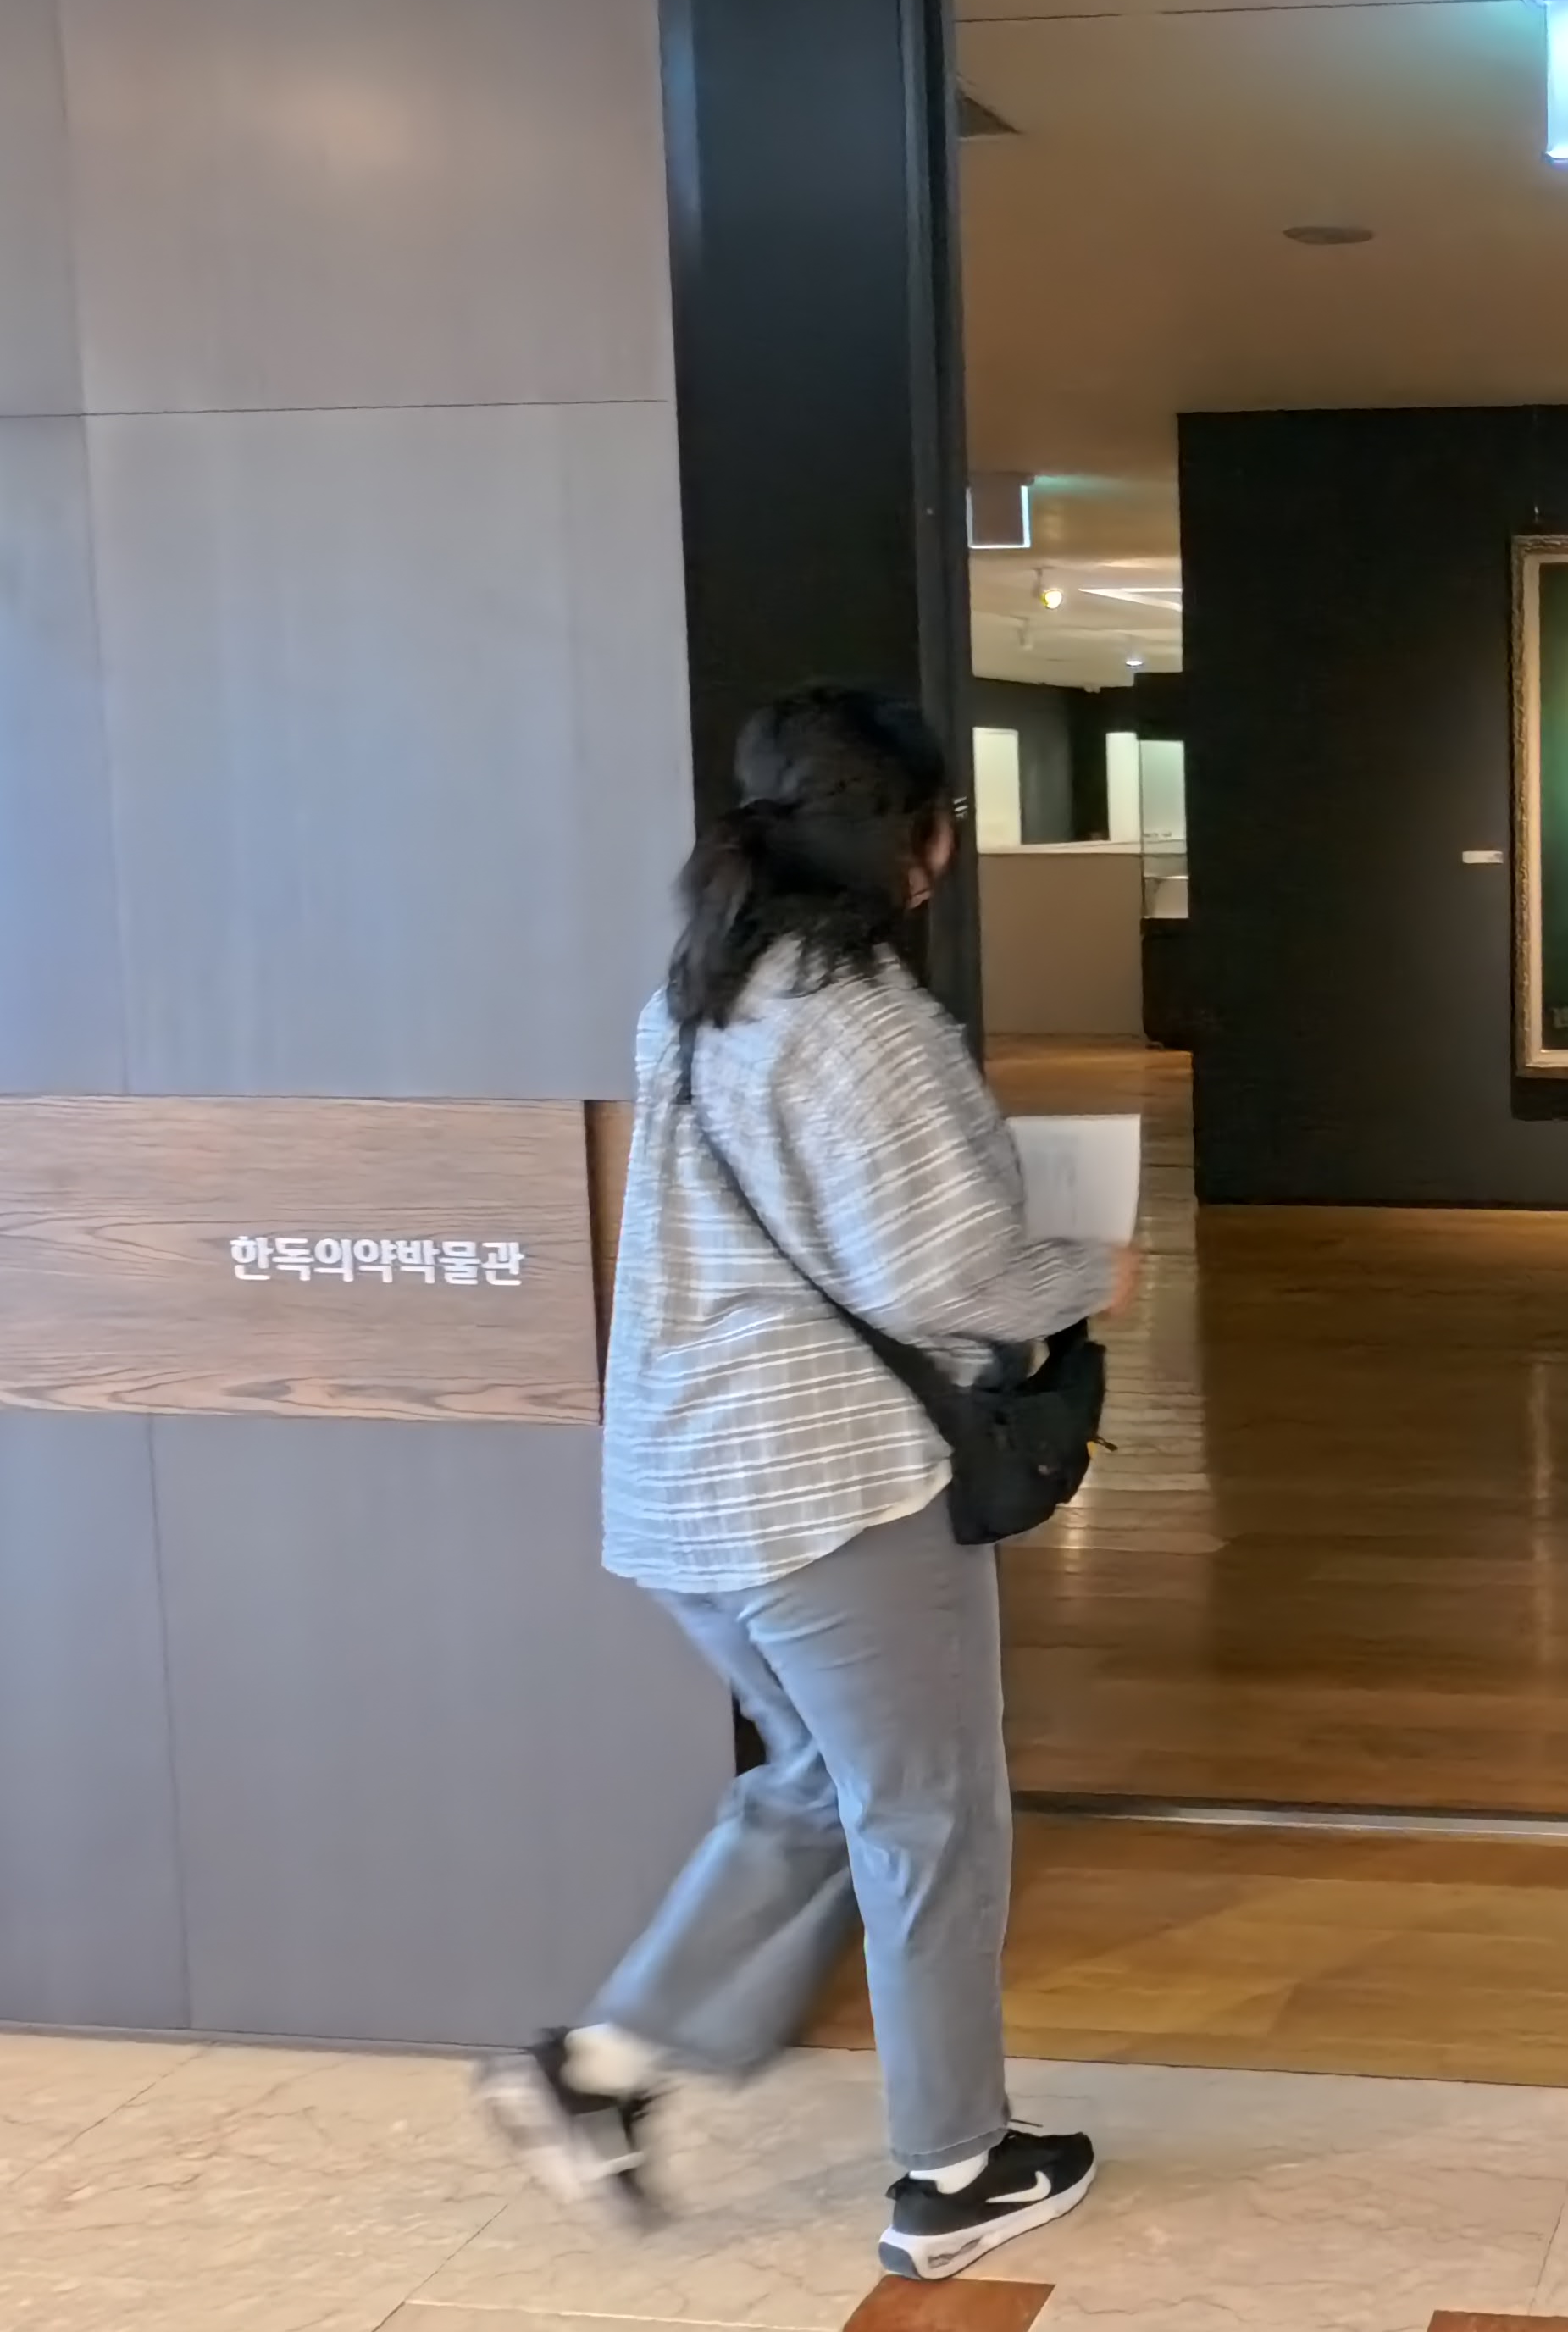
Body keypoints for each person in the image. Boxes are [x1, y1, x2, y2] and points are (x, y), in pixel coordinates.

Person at [477, 686, 1135, 2285]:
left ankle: (598, 2069)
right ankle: (954, 2171)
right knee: (929, 1817)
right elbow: (943, 1267)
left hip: (691, 1483)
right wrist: (1089, 1271)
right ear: (917, 836)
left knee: (820, 1787)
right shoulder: (860, 1013)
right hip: (830, 1487)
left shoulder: (699, 988)